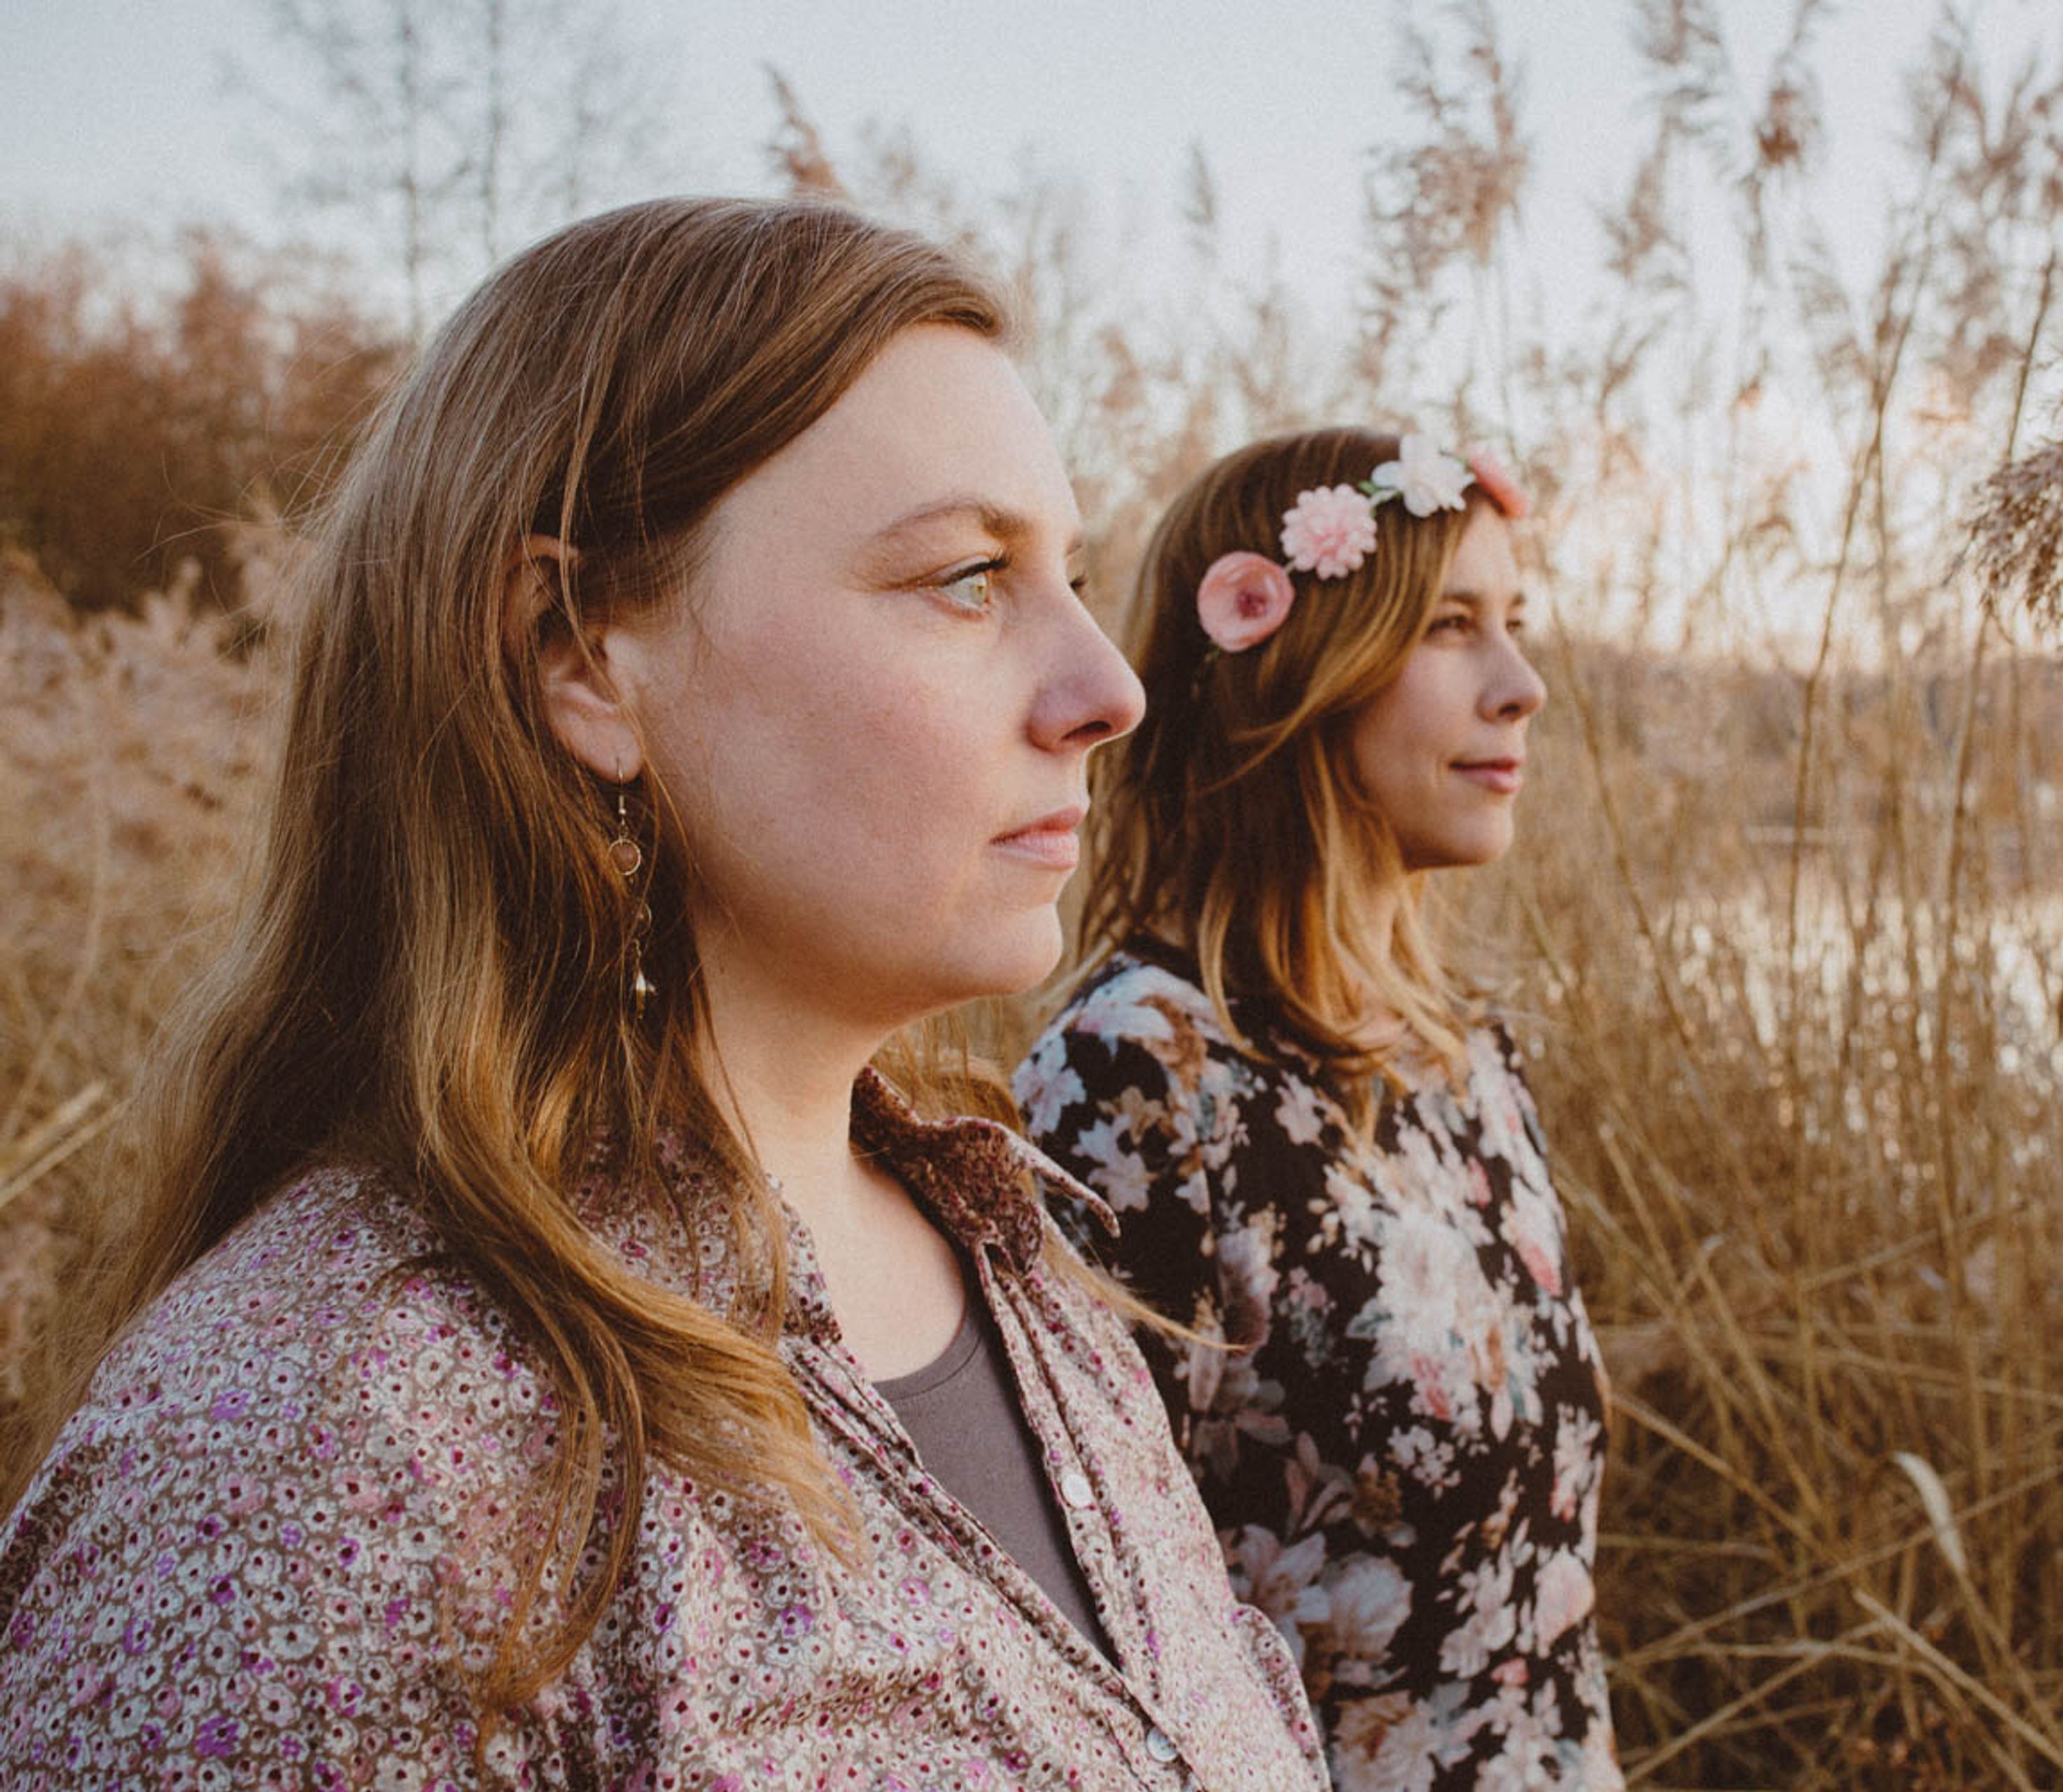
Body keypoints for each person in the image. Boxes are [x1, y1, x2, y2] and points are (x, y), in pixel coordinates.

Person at [0, 197, 1329, 1790]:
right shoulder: (324, 1453)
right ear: (580, 655)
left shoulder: (1029, 1263)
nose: (1107, 687)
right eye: (969, 575)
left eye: (1073, 571)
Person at [1015, 429, 1622, 1791]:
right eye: (1450, 627)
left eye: (1511, 624)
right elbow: (1078, 1640)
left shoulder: (1466, 1059)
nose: (1521, 686)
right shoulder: (1139, 1078)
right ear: (1294, 667)